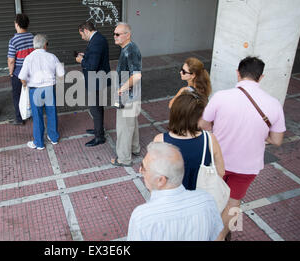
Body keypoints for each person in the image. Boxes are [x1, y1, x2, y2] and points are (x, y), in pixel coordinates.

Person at [199, 56, 286, 241]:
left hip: (217, 160)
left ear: (238, 73)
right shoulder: (274, 104)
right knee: (234, 202)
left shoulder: (221, 97)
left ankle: (205, 231)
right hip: (248, 166)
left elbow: (203, 124)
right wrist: (263, 138)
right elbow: (277, 140)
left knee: (212, 197)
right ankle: (221, 237)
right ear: (261, 77)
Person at [127, 142, 223, 241]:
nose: (140, 170)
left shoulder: (142, 216)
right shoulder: (207, 200)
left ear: (161, 180)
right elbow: (218, 237)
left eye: (143, 167)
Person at [154, 91, 225, 190]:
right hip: (200, 197)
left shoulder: (160, 139)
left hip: (172, 197)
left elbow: (155, 174)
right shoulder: (209, 139)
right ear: (196, 118)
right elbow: (221, 172)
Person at [19, 34, 65, 150]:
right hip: (49, 88)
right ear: (45, 45)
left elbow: (22, 77)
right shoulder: (52, 57)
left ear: (34, 45)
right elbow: (61, 74)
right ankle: (53, 137)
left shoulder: (29, 58)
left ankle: (39, 143)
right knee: (52, 113)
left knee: (37, 116)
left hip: (35, 90)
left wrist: (25, 85)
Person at [110, 22, 142, 167]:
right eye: (114, 33)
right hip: (132, 95)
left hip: (127, 96)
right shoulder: (129, 48)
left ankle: (123, 158)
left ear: (127, 35)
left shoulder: (130, 51)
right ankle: (135, 148)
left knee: (124, 127)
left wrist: (121, 89)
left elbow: (136, 76)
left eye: (117, 34)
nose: (114, 36)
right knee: (131, 123)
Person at [76, 21, 111, 147]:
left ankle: (99, 137)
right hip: (98, 79)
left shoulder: (96, 41)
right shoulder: (98, 38)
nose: (82, 37)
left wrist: (81, 60)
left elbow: (92, 66)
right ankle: (98, 129)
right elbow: (96, 58)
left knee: (95, 108)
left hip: (95, 81)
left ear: (85, 30)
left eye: (81, 34)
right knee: (98, 107)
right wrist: (86, 55)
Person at [8, 14, 34, 125]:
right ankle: (31, 114)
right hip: (32, 70)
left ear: (17, 24)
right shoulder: (33, 37)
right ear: (27, 24)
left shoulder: (13, 41)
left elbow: (11, 60)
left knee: (17, 95)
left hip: (19, 72)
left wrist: (10, 72)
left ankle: (20, 119)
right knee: (31, 93)